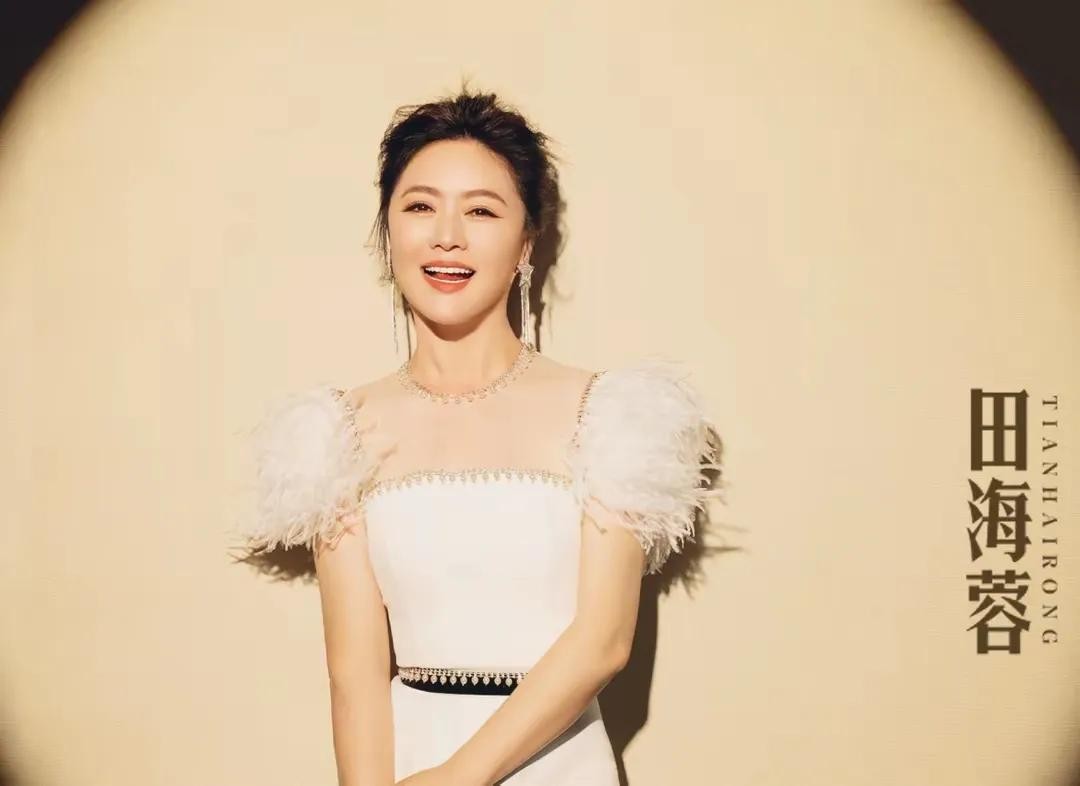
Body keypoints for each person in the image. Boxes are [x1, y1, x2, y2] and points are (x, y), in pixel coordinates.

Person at [237, 86, 721, 785]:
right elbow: (355, 675)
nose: (447, 236)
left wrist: (457, 778)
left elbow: (603, 642)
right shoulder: (338, 432)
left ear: (526, 243)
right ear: (388, 233)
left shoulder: (610, 413)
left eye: (482, 211)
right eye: (420, 206)